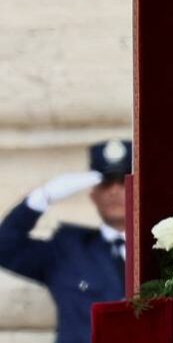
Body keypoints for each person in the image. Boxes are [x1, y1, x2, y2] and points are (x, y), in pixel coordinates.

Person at [0, 139, 131, 343]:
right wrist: (44, 196)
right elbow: (5, 247)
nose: (114, 191)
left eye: (123, 182)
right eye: (105, 182)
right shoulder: (68, 250)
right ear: (93, 194)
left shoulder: (160, 248)